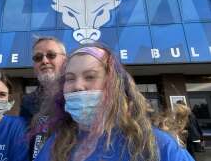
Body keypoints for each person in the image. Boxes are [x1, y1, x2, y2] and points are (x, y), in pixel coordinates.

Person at [33, 44, 195, 161]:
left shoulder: (156, 144)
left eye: (90, 76)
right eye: (70, 79)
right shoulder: (56, 144)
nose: (77, 86)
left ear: (115, 85)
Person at [20, 36, 66, 160]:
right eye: (38, 57)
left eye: (51, 55)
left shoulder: (76, 95)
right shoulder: (27, 102)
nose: (44, 61)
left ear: (65, 60)